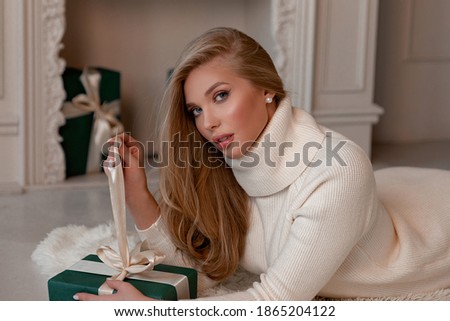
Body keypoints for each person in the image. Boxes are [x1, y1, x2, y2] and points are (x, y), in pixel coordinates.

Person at [75, 27, 450, 301]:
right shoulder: (230, 157)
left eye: (221, 96)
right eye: (196, 110)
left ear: (266, 87)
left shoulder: (336, 172)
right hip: (384, 194)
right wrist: (137, 194)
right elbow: (201, 267)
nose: (207, 123)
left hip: (431, 232)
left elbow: (275, 303)